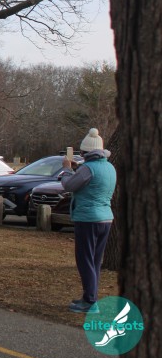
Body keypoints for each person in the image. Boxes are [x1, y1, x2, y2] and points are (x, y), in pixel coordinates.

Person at [61, 128, 116, 313]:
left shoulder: (88, 169)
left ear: (85, 152)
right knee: (95, 260)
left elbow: (68, 185)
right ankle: (89, 296)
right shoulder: (109, 167)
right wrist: (77, 170)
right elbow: (92, 182)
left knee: (84, 259)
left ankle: (90, 301)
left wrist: (67, 169)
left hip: (88, 218)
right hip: (106, 218)